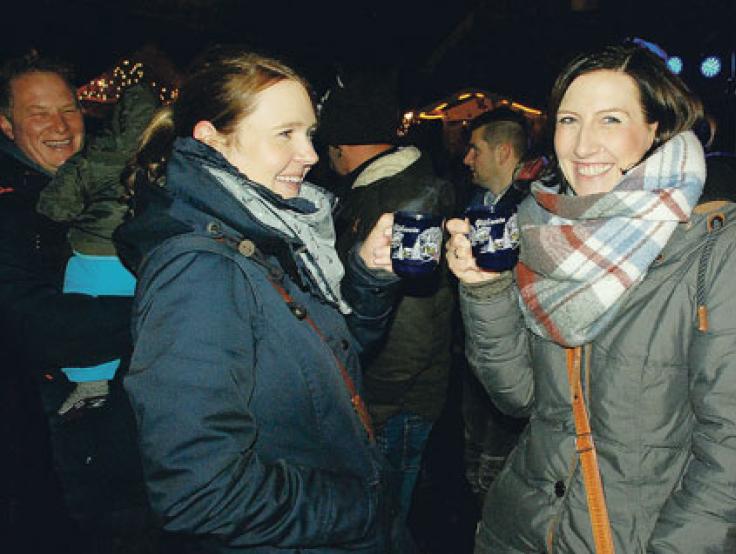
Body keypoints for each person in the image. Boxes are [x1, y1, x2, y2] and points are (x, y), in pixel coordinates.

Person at [445, 43, 736, 553]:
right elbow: (519, 397)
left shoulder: (721, 247)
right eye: (569, 119)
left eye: (610, 119)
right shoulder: (539, 226)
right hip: (520, 529)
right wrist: (485, 289)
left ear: (656, 128)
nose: (583, 145)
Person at [115, 48, 405, 553]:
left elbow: (336, 357)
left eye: (309, 133)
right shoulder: (200, 269)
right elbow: (200, 491)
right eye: (285, 134)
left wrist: (369, 276)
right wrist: (357, 507)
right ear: (211, 139)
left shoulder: (268, 231)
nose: (312, 154)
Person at [0, 53, 151, 552]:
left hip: (116, 428)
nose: (61, 125)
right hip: (48, 444)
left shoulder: (111, 182)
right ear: (6, 124)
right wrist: (162, 313)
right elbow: (29, 323)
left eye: (69, 109)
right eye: (39, 113)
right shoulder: (12, 206)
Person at [318, 66, 456, 536]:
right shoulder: (375, 190)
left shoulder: (395, 202)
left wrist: (371, 405)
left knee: (384, 522)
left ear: (341, 144)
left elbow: (413, 331)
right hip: (389, 396)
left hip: (396, 404)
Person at [37, 82, 158, 419]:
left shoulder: (97, 151)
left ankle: (90, 384)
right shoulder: (166, 152)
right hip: (144, 257)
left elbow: (58, 205)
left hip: (96, 250)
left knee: (85, 311)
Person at [460, 106, 538, 502]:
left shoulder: (536, 213)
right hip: (482, 380)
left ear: (504, 152)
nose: (466, 159)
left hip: (521, 392)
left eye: (474, 149)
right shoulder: (478, 205)